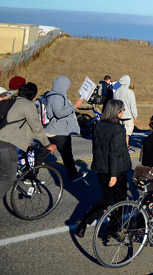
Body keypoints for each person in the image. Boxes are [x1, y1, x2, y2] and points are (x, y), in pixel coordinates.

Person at [74, 100, 132, 238]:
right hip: (116, 170)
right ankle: (113, 229)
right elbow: (114, 153)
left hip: (101, 168)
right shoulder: (118, 129)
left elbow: (96, 148)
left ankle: (84, 222)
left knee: (106, 198)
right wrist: (113, 175)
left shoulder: (99, 126)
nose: (123, 112)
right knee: (119, 200)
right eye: (122, 110)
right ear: (117, 112)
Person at [0, 83, 57, 197]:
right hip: (7, 145)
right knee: (8, 178)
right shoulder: (28, 105)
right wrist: (47, 144)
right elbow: (37, 128)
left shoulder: (10, 102)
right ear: (34, 96)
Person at [42, 76, 86, 182]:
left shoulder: (49, 94)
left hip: (49, 130)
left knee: (42, 153)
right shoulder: (57, 97)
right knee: (67, 155)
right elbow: (59, 113)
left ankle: (30, 173)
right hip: (59, 131)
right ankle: (73, 175)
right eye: (66, 86)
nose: (67, 88)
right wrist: (74, 106)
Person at [113, 75, 138, 151]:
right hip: (128, 115)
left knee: (119, 132)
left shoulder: (116, 91)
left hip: (118, 115)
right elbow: (132, 105)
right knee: (127, 133)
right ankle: (126, 147)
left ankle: (119, 146)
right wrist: (135, 116)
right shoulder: (129, 92)